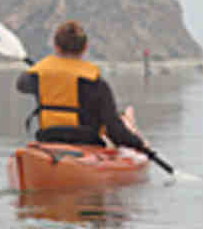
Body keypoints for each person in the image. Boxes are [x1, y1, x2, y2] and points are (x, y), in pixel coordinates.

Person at [16, 20, 148, 150]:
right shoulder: (97, 84)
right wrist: (139, 144)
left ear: (56, 46)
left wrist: (40, 69)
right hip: (87, 141)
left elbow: (21, 84)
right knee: (119, 119)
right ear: (85, 48)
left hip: (48, 137)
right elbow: (115, 131)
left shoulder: (36, 77)